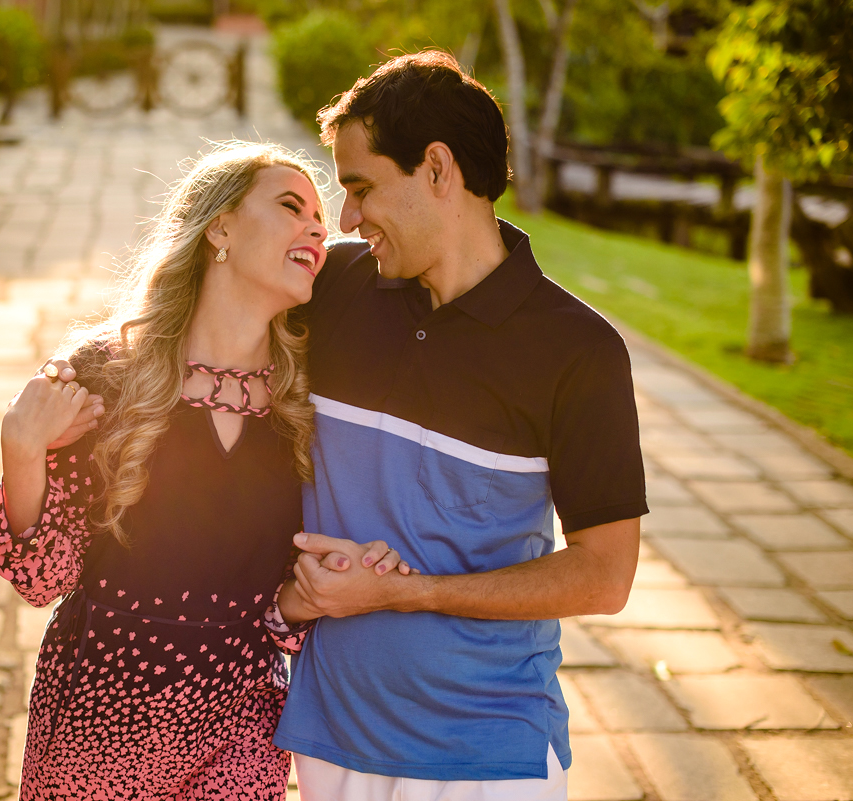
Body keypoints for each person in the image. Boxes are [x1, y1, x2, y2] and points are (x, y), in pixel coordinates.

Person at [268, 52, 649, 801]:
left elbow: (606, 576)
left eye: (361, 187)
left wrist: (410, 593)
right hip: (329, 739)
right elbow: (204, 313)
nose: (346, 219)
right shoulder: (336, 290)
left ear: (436, 169)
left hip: (489, 753)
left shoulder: (578, 350)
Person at [0, 142, 406, 801]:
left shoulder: (309, 403)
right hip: (103, 708)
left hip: (242, 722)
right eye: (292, 206)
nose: (319, 228)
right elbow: (43, 580)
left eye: (321, 219)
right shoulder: (106, 374)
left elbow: (277, 607)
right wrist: (22, 449)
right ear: (220, 228)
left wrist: (314, 595)